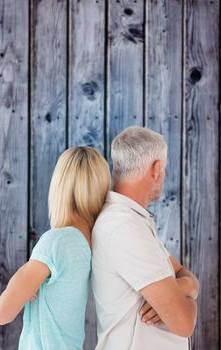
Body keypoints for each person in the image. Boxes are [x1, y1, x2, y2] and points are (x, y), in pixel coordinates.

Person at [92, 126, 199, 350]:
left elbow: (183, 274)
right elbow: (184, 322)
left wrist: (183, 288)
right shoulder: (123, 226)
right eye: (165, 168)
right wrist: (186, 299)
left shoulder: (132, 221)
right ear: (156, 169)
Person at [0, 146, 110, 350]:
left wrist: (21, 277)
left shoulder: (56, 241)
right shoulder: (90, 243)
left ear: (59, 187)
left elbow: (3, 314)